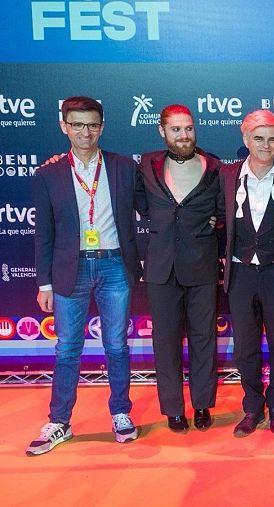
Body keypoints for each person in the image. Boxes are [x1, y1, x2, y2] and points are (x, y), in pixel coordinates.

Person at [27, 96, 141, 455]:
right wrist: (44, 282)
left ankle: (120, 413)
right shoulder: (48, 174)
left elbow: (155, 203)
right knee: (67, 349)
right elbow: (43, 233)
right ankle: (59, 421)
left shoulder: (124, 167)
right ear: (64, 126)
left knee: (116, 345)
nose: (85, 132)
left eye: (92, 125)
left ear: (102, 127)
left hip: (114, 265)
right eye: (77, 124)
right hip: (69, 268)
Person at [135, 104, 222, 433]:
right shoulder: (147, 164)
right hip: (161, 268)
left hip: (202, 266)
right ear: (162, 131)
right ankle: (173, 409)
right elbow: (140, 203)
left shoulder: (214, 166)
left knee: (203, 339)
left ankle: (202, 405)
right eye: (176, 129)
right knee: (166, 342)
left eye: (188, 128)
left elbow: (225, 206)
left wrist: (217, 220)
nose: (184, 135)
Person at [220, 110, 274, 437]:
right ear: (245, 139)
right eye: (258, 138)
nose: (265, 145)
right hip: (241, 274)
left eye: (271, 139)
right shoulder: (226, 176)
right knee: (245, 346)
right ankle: (252, 407)